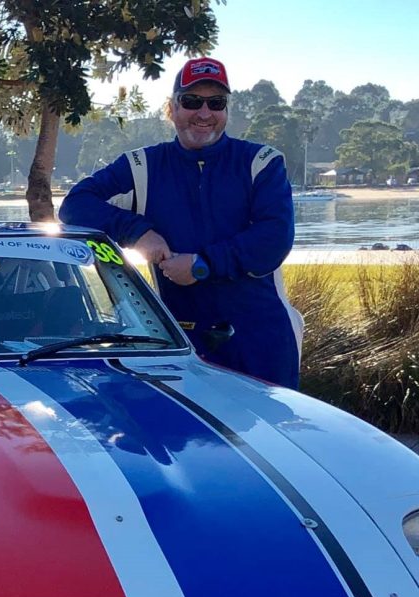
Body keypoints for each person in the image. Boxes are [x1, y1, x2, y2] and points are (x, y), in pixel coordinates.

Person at [59, 57, 301, 389]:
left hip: (261, 340)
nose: (204, 114)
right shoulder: (142, 165)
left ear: (226, 110)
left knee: (267, 440)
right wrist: (137, 233)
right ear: (172, 108)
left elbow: (273, 240)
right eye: (191, 101)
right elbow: (75, 205)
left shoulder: (261, 163)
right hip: (182, 342)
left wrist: (203, 265)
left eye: (216, 103)